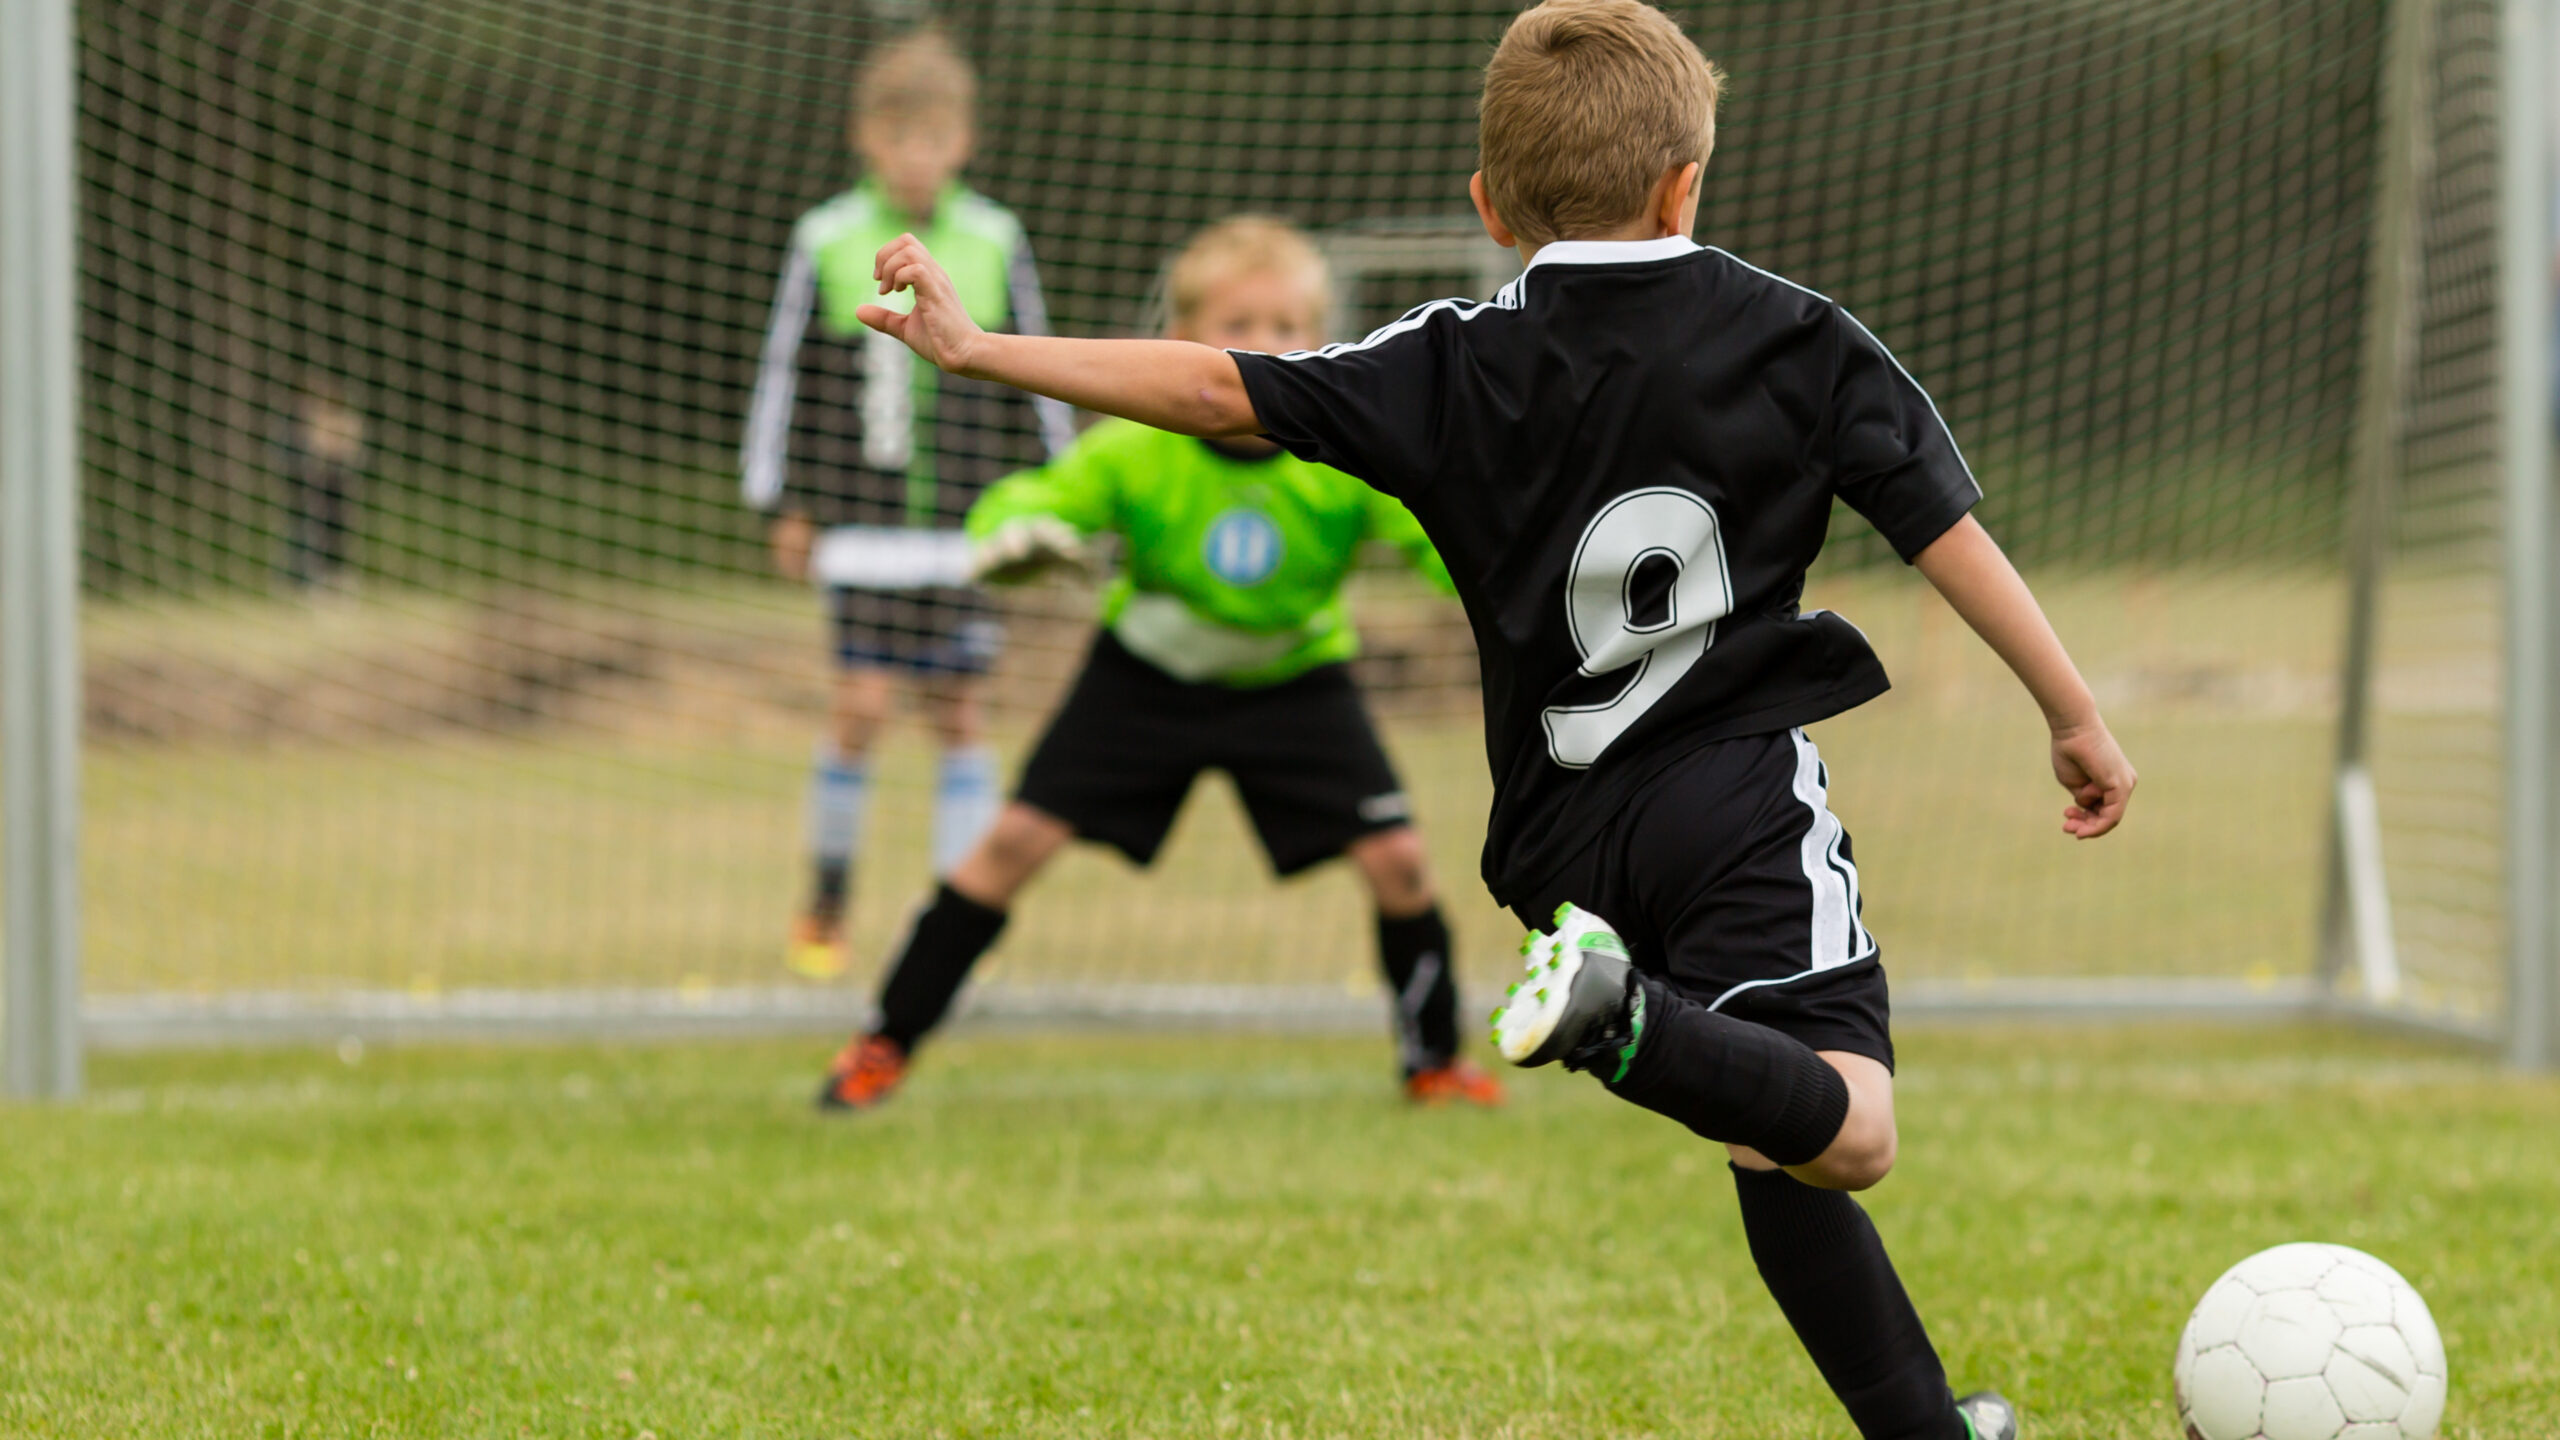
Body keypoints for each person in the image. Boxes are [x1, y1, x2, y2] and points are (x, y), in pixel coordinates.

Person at [846, 2, 2142, 1434]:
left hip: (1558, 831)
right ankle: (1619, 1019)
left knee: (1767, 1132)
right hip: (1730, 797)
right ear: (1687, 180)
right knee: (1855, 1125)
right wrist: (2071, 711)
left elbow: (1215, 385)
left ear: (1488, 205)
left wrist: (981, 352)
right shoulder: (1798, 338)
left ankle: (1924, 1428)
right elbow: (1939, 527)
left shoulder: (1451, 358)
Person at [815, 217, 1504, 1112]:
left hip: (1293, 680)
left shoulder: (1346, 455)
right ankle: (882, 1045)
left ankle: (1434, 1065)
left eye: (1288, 325)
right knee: (1009, 847)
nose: (1266, 345)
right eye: (1240, 323)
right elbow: (1022, 505)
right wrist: (1013, 539)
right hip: (1144, 676)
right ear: (1183, 341)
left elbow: (1445, 542)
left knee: (1401, 862)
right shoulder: (1137, 443)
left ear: (1323, 336)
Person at [739, 25, 1075, 980]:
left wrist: (1051, 499)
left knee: (961, 713)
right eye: (901, 137)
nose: (918, 156)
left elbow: (1038, 369)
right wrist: (783, 505)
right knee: (861, 705)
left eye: (936, 138)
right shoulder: (826, 238)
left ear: (962, 140)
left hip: (964, 534)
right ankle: (828, 901)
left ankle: (949, 923)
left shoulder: (995, 238)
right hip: (859, 529)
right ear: (868, 139)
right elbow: (786, 375)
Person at [275, 376, 367, 590]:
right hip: (305, 485)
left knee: (336, 532)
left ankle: (336, 579)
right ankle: (303, 578)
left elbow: (348, 451)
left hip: (335, 485)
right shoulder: (295, 424)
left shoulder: (342, 421)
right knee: (305, 532)